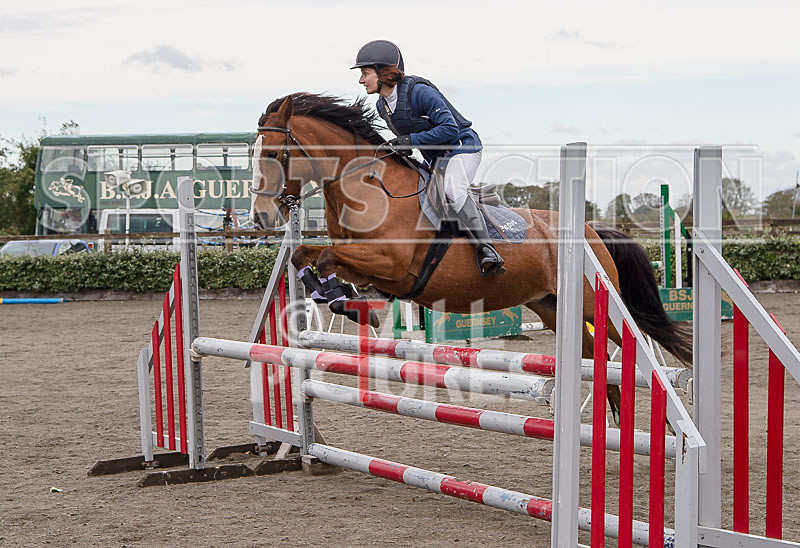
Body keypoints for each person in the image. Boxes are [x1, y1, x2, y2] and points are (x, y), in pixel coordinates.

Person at [351, 39, 505, 278]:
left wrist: (409, 141)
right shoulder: (383, 106)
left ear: (383, 72)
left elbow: (450, 129)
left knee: (453, 189)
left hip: (461, 148)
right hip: (435, 159)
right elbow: (415, 139)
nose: (361, 80)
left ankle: (488, 250)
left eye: (365, 73)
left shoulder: (419, 91)